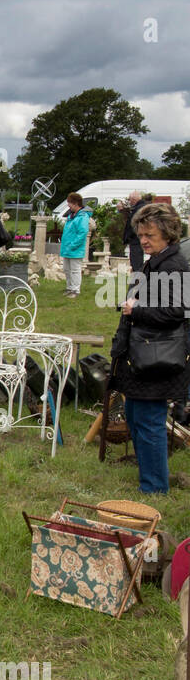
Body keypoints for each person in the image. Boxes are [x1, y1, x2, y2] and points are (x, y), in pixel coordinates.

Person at [109, 202, 190, 494]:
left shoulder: (174, 265)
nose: (143, 240)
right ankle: (151, 479)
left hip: (158, 356)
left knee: (149, 420)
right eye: (141, 234)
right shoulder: (156, 261)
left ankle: (155, 487)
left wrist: (137, 310)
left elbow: (179, 312)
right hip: (145, 353)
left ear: (168, 234)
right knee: (136, 416)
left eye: (150, 235)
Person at [60, 193, 91, 298]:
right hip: (68, 248)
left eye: (70, 203)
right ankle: (69, 288)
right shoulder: (72, 216)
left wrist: (73, 245)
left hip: (75, 249)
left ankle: (75, 290)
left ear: (76, 203)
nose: (68, 205)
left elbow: (82, 233)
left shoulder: (82, 216)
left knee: (75, 270)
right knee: (67, 269)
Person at [120, 190, 151, 273]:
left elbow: (132, 225)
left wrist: (127, 237)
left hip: (136, 239)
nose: (129, 202)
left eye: (130, 200)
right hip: (140, 238)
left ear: (133, 200)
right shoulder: (144, 207)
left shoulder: (138, 209)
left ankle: (138, 280)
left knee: (136, 262)